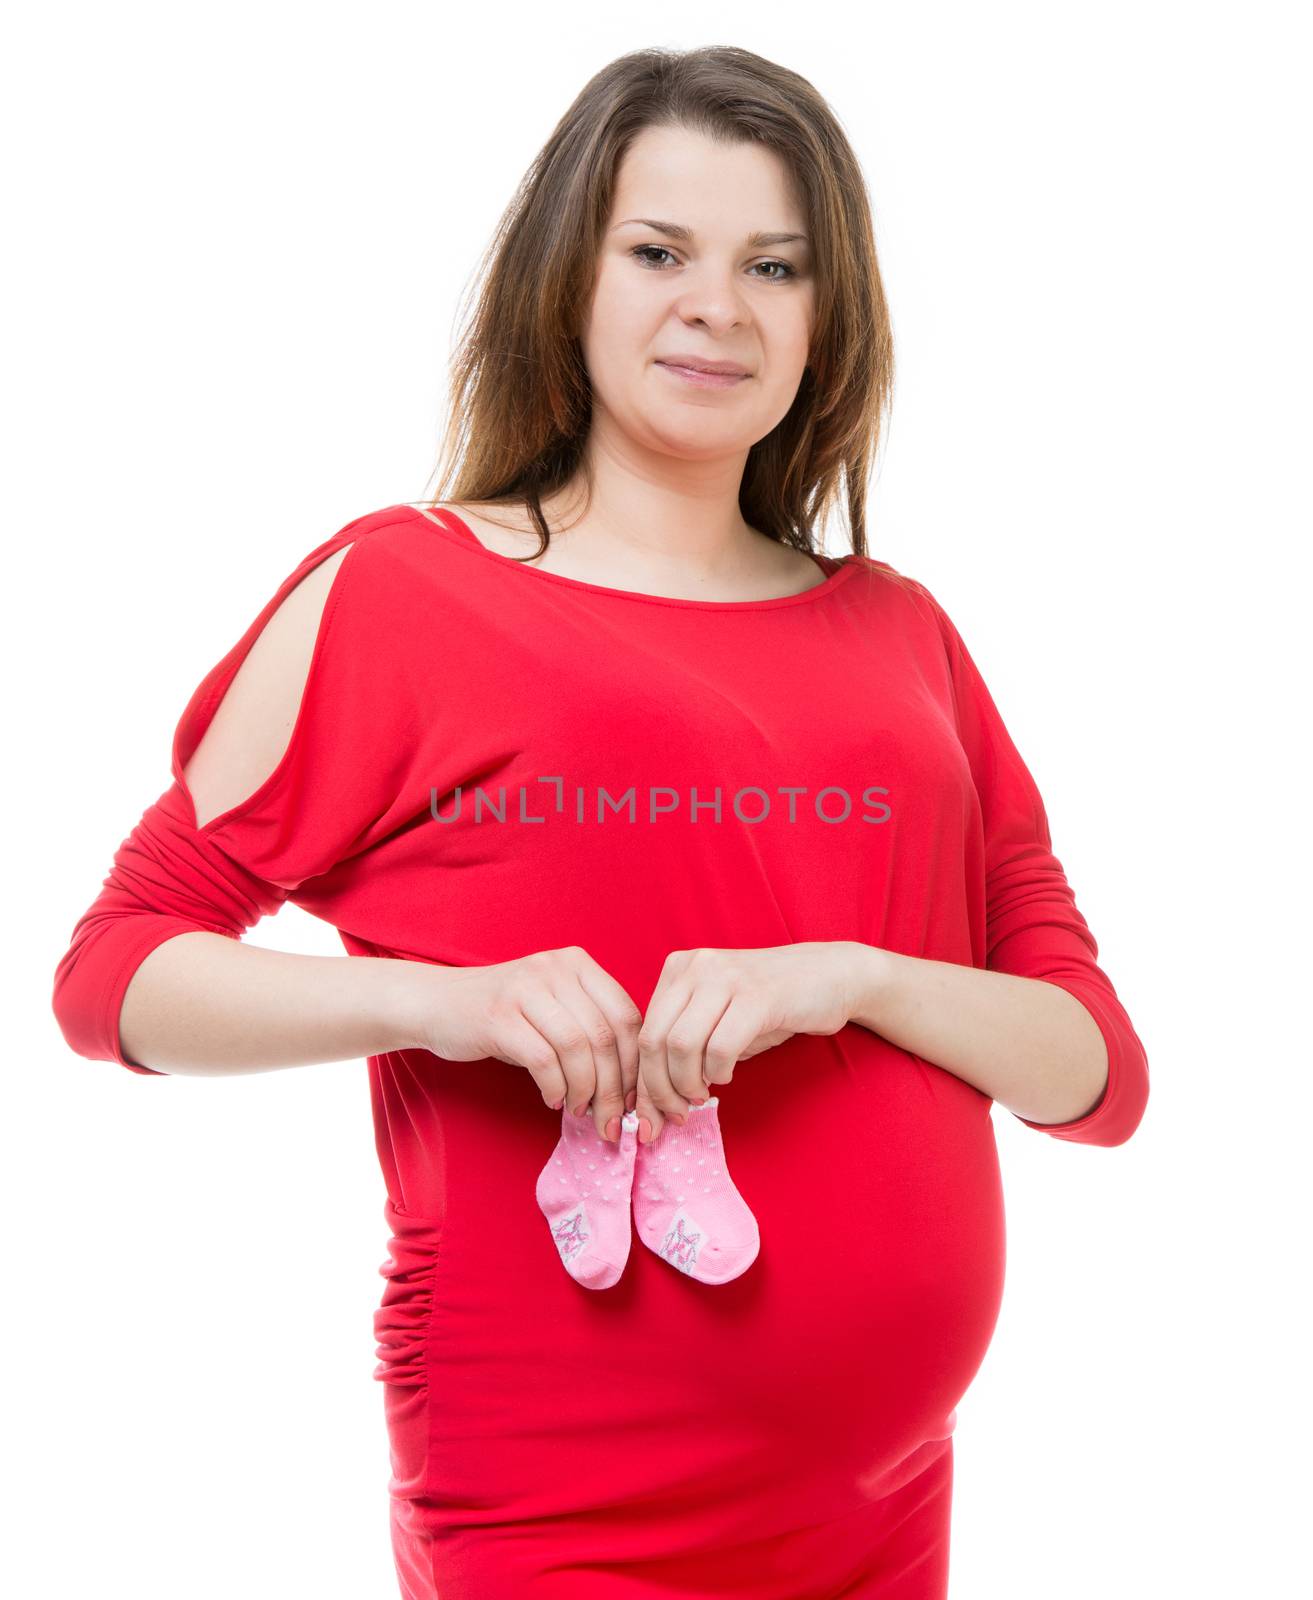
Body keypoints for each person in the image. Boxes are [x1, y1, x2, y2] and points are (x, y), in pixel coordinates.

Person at [50, 44, 1149, 1600]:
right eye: (657, 252)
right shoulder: (407, 588)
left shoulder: (904, 635)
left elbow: (1093, 1074)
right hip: (562, 1500)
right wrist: (448, 1002)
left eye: (777, 264)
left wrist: (856, 975)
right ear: (568, 277)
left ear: (828, 318)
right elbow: (114, 977)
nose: (720, 305)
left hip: (885, 1504)